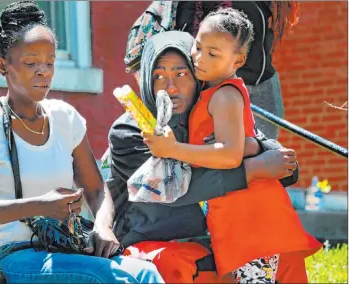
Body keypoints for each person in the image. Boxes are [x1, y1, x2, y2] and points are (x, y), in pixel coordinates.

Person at [0, 1, 164, 283]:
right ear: (2, 65)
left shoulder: (65, 118)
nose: (44, 71)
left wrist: (102, 226)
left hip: (63, 249)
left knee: (147, 272)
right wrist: (40, 205)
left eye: (50, 62)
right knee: (104, 278)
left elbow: (96, 189)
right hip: (6, 255)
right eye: (30, 63)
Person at [107, 30, 302, 283]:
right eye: (158, 76)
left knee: (286, 254)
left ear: (198, 76)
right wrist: (251, 169)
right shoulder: (130, 131)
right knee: (176, 264)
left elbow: (287, 168)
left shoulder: (209, 112)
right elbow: (171, 189)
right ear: (146, 79)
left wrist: (253, 146)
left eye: (181, 74)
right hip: (153, 239)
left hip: (219, 236)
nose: (171, 88)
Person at [143, 9, 321, 283]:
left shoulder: (225, 95)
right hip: (234, 217)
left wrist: (172, 149)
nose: (200, 58)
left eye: (213, 54)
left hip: (252, 220)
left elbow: (228, 155)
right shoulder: (211, 93)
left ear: (237, 59)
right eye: (198, 46)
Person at [124, 1, 299, 139]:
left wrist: (259, 149)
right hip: (192, 98)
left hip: (254, 93)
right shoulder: (171, 8)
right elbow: (138, 55)